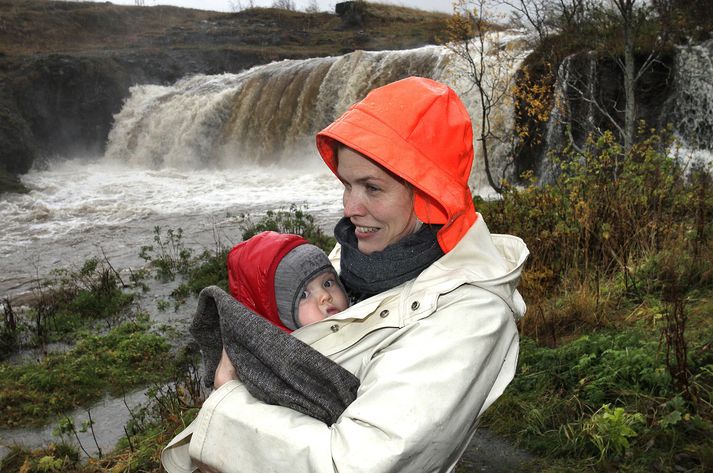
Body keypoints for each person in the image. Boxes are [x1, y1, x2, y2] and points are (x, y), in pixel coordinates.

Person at [162, 76, 529, 473]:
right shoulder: (360, 258)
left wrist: (229, 401)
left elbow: (353, 463)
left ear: (428, 196)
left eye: (372, 188)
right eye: (347, 184)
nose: (350, 208)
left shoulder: (470, 317)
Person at [189, 231, 356, 426]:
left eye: (328, 282)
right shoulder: (269, 366)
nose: (325, 296)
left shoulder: (358, 323)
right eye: (303, 294)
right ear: (278, 311)